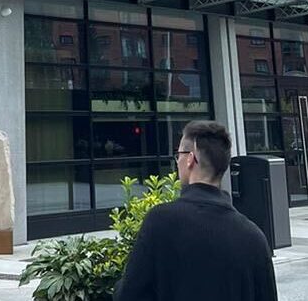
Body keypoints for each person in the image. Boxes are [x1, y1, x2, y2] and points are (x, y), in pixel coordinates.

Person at [114, 120, 278, 301]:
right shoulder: (254, 238)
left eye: (178, 155)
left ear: (190, 159)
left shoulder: (160, 222)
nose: (177, 162)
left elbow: (128, 295)